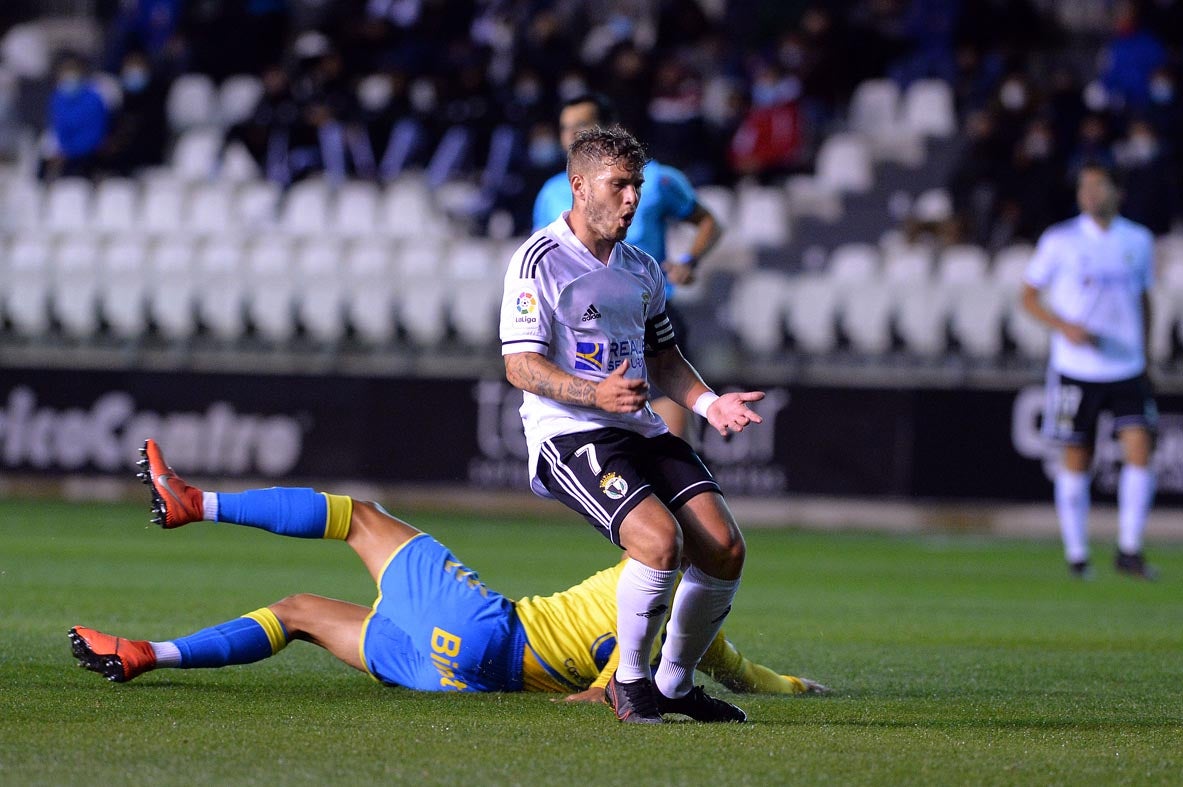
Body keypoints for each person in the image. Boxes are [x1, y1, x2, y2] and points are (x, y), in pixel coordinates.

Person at [69, 439, 828, 704]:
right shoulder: (688, 629)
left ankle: (195, 502)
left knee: (360, 517)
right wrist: (798, 687)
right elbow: (740, 672)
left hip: (488, 630)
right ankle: (146, 654)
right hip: (464, 677)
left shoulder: (647, 580)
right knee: (299, 610)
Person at [501, 126, 763, 724]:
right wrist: (594, 393)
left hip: (637, 427)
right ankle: (630, 681)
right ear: (579, 186)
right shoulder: (539, 260)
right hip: (569, 431)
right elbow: (520, 366)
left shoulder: (642, 268)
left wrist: (709, 405)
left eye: (637, 186)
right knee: (658, 542)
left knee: (724, 548)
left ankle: (673, 686)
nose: (632, 200)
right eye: (618, 185)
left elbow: (665, 358)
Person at [532, 94, 722, 439]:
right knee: (598, 438)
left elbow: (708, 222)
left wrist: (689, 260)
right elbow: (542, 262)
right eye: (565, 127)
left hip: (647, 318)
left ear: (610, 127)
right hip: (585, 326)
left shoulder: (656, 180)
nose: (571, 135)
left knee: (671, 441)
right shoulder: (550, 192)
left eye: (582, 125)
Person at [1020, 162, 1158, 580]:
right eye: (1085, 187)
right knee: (1077, 456)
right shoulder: (1060, 240)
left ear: (1118, 192)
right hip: (1075, 368)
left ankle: (1129, 549)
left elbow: (1143, 299)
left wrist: (1146, 354)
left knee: (1140, 448)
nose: (1090, 193)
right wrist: (1064, 327)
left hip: (1127, 365)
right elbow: (1028, 297)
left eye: (1099, 185)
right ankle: (1077, 553)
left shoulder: (1138, 239)